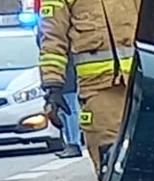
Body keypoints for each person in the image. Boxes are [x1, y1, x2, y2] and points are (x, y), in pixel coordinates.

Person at [37, 0, 139, 172]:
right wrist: (53, 85)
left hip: (143, 83)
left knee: (150, 154)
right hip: (98, 90)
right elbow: (53, 41)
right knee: (109, 160)